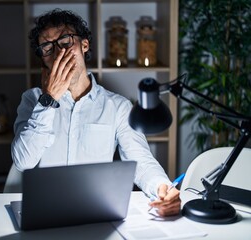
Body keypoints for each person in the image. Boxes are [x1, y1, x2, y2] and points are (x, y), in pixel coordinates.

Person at [11, 9, 181, 216]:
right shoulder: (32, 100)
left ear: (84, 45)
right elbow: (22, 162)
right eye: (47, 47)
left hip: (95, 210)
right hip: (45, 209)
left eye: (65, 41)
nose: (59, 53)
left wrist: (162, 187)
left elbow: (141, 161)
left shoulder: (118, 107)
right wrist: (48, 100)